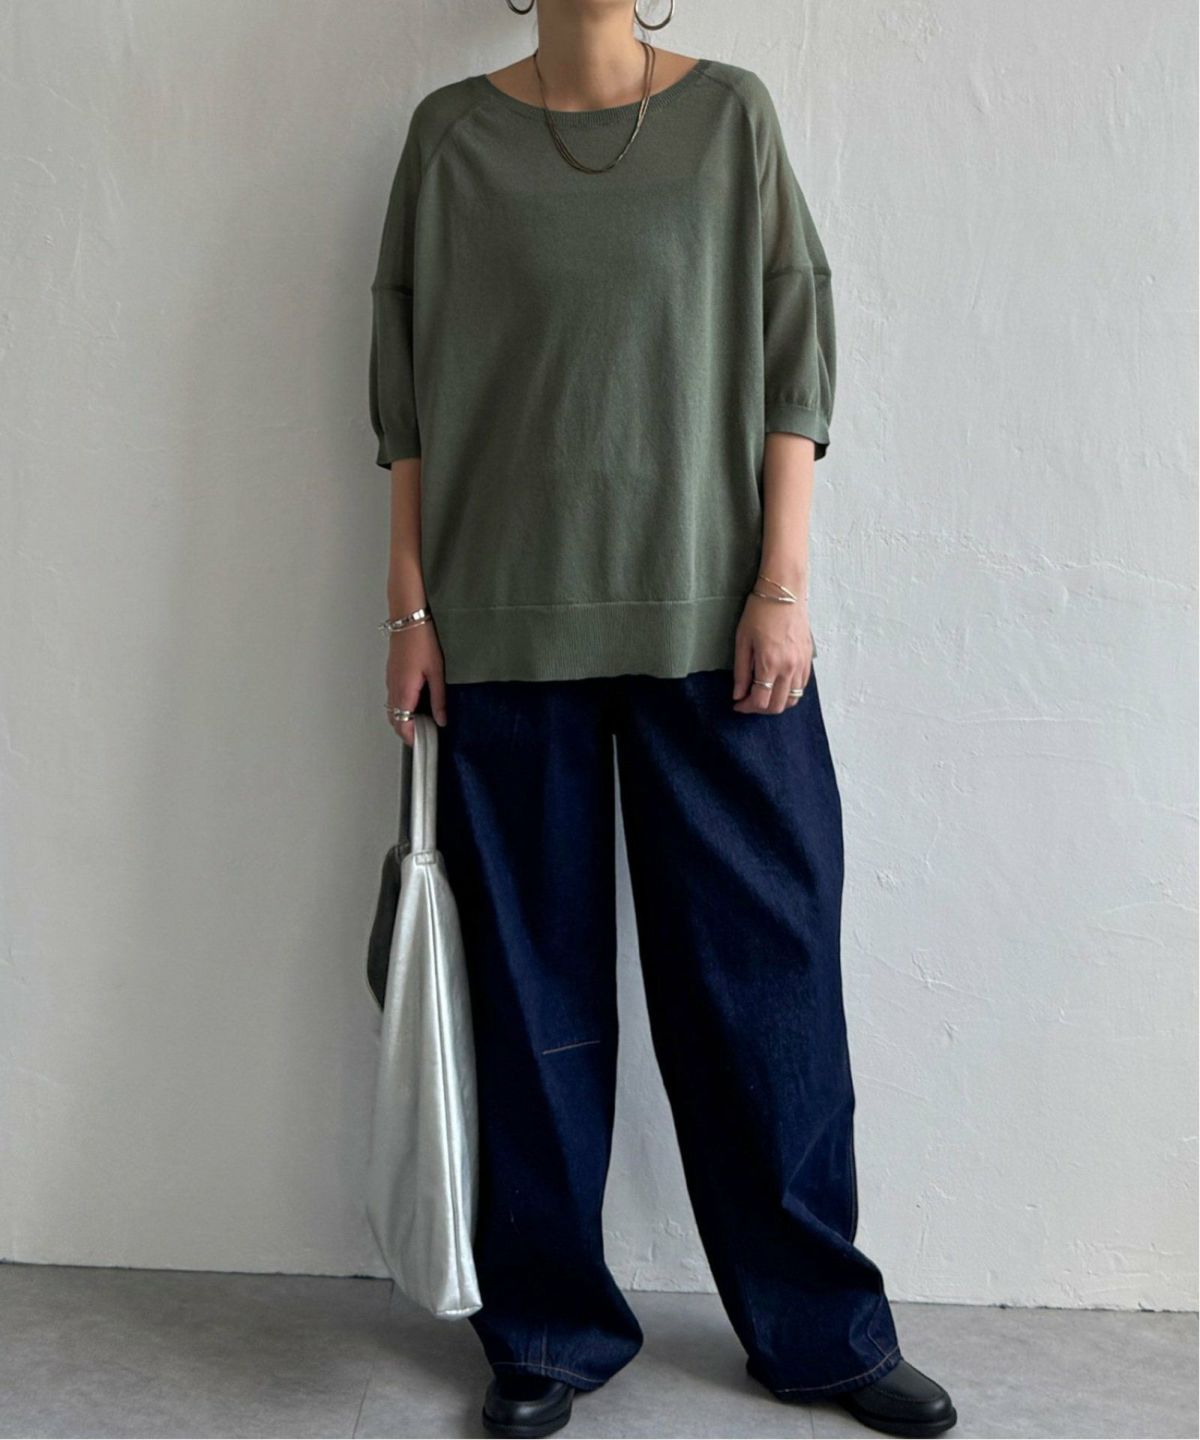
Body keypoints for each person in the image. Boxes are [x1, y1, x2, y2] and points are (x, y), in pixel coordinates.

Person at [368, 3, 957, 1436]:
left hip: (718, 632)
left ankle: (820, 1330)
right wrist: (408, 608)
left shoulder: (730, 118)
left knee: (769, 993)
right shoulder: (449, 141)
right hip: (505, 627)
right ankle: (547, 1331)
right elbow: (405, 398)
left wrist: (783, 586)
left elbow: (794, 359)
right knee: (532, 1009)